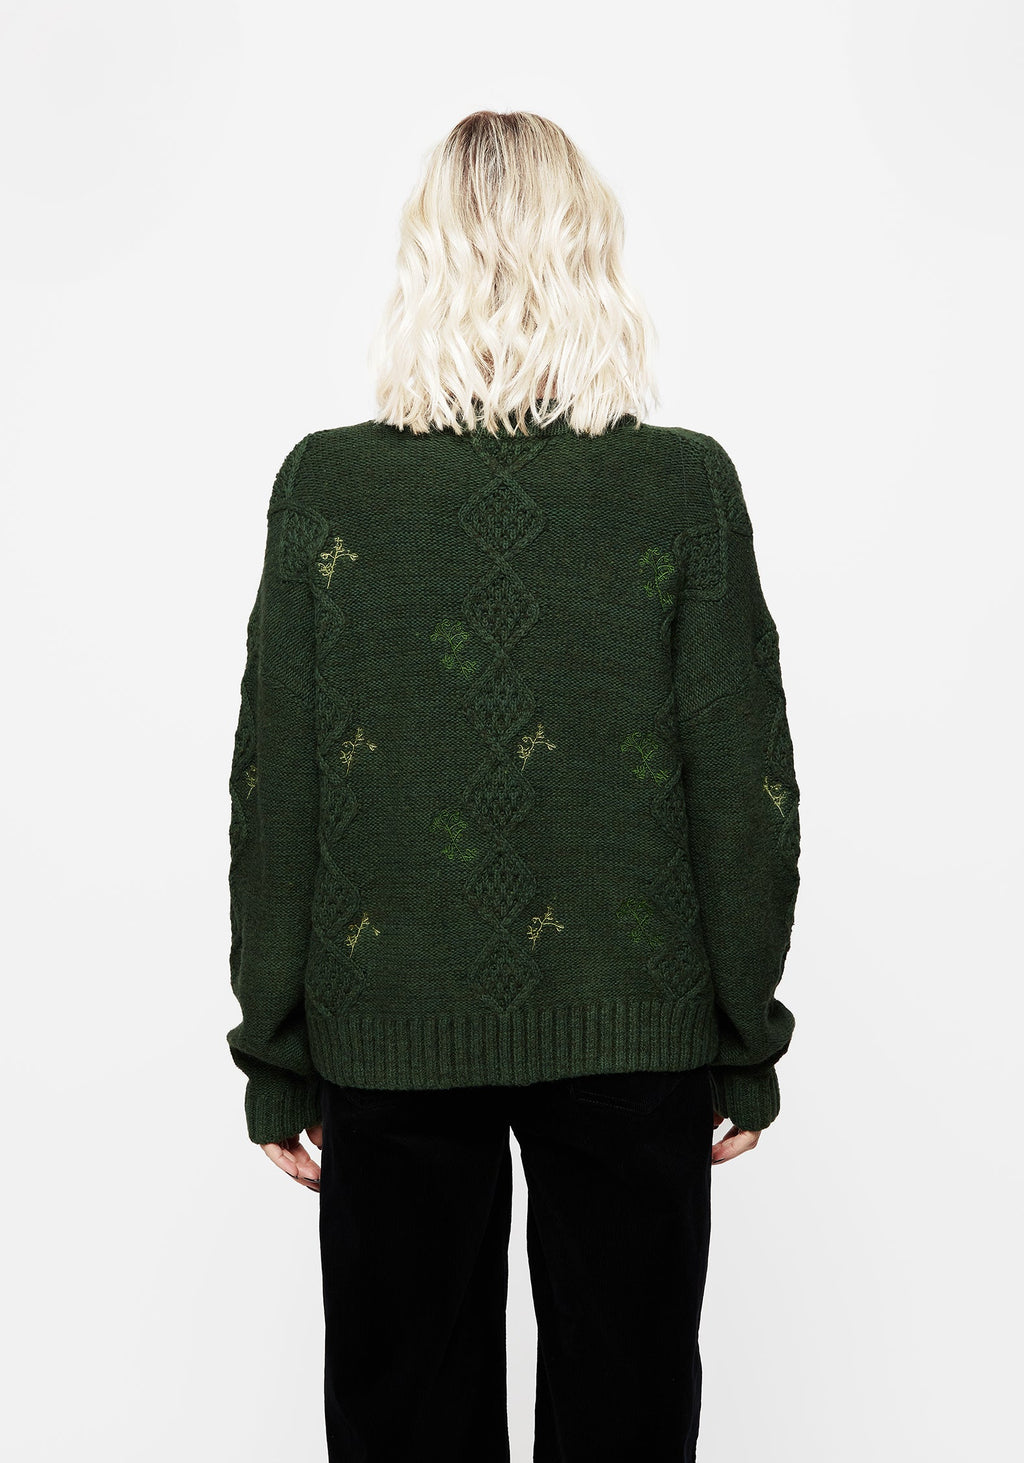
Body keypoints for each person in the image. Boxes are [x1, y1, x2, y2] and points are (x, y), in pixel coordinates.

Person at [225, 110, 802, 1463]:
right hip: (635, 1032)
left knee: (403, 1424)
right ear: (589, 255)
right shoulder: (681, 487)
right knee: (628, 1418)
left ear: (423, 258)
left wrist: (274, 1049)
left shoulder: (328, 489)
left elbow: (275, 791)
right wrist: (745, 1035)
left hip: (387, 1030)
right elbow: (746, 791)